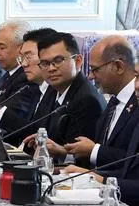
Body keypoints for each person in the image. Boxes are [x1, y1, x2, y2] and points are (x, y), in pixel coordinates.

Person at [64, 36, 139, 172]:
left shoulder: (136, 102)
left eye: (95, 69)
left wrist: (94, 150)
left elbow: (132, 161)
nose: (90, 76)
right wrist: (64, 152)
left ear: (118, 66)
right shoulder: (113, 101)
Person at [31, 30, 104, 159]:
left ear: (78, 61)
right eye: (45, 63)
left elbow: (82, 156)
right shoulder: (53, 89)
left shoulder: (86, 100)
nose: (51, 68)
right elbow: (39, 128)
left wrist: (58, 151)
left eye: (58, 60)